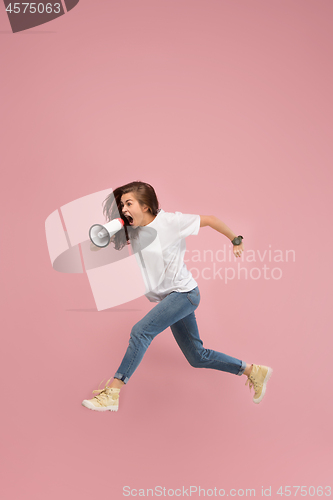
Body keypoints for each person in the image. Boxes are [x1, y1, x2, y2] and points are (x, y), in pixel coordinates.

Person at [82, 181, 272, 412]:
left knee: (140, 331)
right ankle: (252, 370)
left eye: (128, 203)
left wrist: (235, 240)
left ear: (146, 206)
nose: (123, 209)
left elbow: (210, 219)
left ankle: (112, 392)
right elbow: (96, 247)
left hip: (184, 294)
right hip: (170, 299)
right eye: (122, 205)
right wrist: (103, 234)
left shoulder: (170, 222)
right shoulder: (132, 227)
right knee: (197, 357)